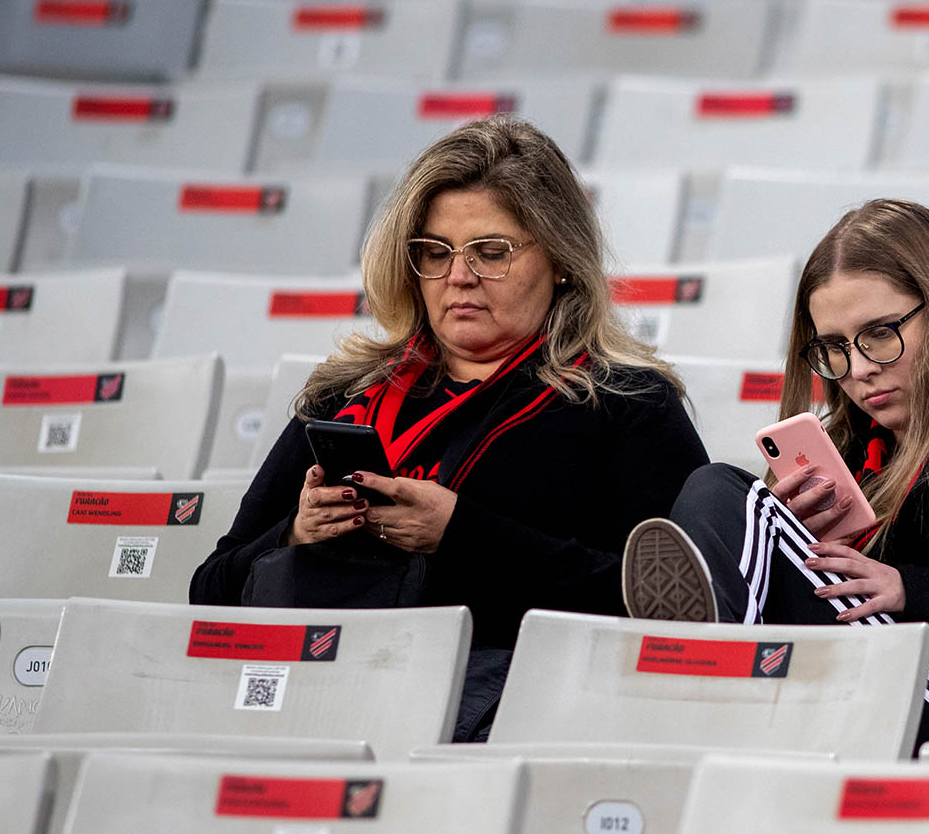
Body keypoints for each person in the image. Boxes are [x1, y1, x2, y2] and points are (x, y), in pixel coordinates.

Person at [193, 117, 707, 740]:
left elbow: (672, 613)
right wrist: (297, 533)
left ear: (561, 260)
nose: (459, 276)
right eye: (436, 253)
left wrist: (459, 534)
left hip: (515, 708)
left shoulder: (627, 402)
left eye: (491, 252)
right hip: (312, 695)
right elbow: (209, 592)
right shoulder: (345, 396)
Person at [620, 199, 929, 746]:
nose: (860, 369)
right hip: (845, 696)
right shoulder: (842, 452)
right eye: (834, 347)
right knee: (730, 499)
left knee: (721, 490)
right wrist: (803, 549)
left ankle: (696, 691)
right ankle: (707, 680)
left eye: (881, 332)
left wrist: (911, 591)